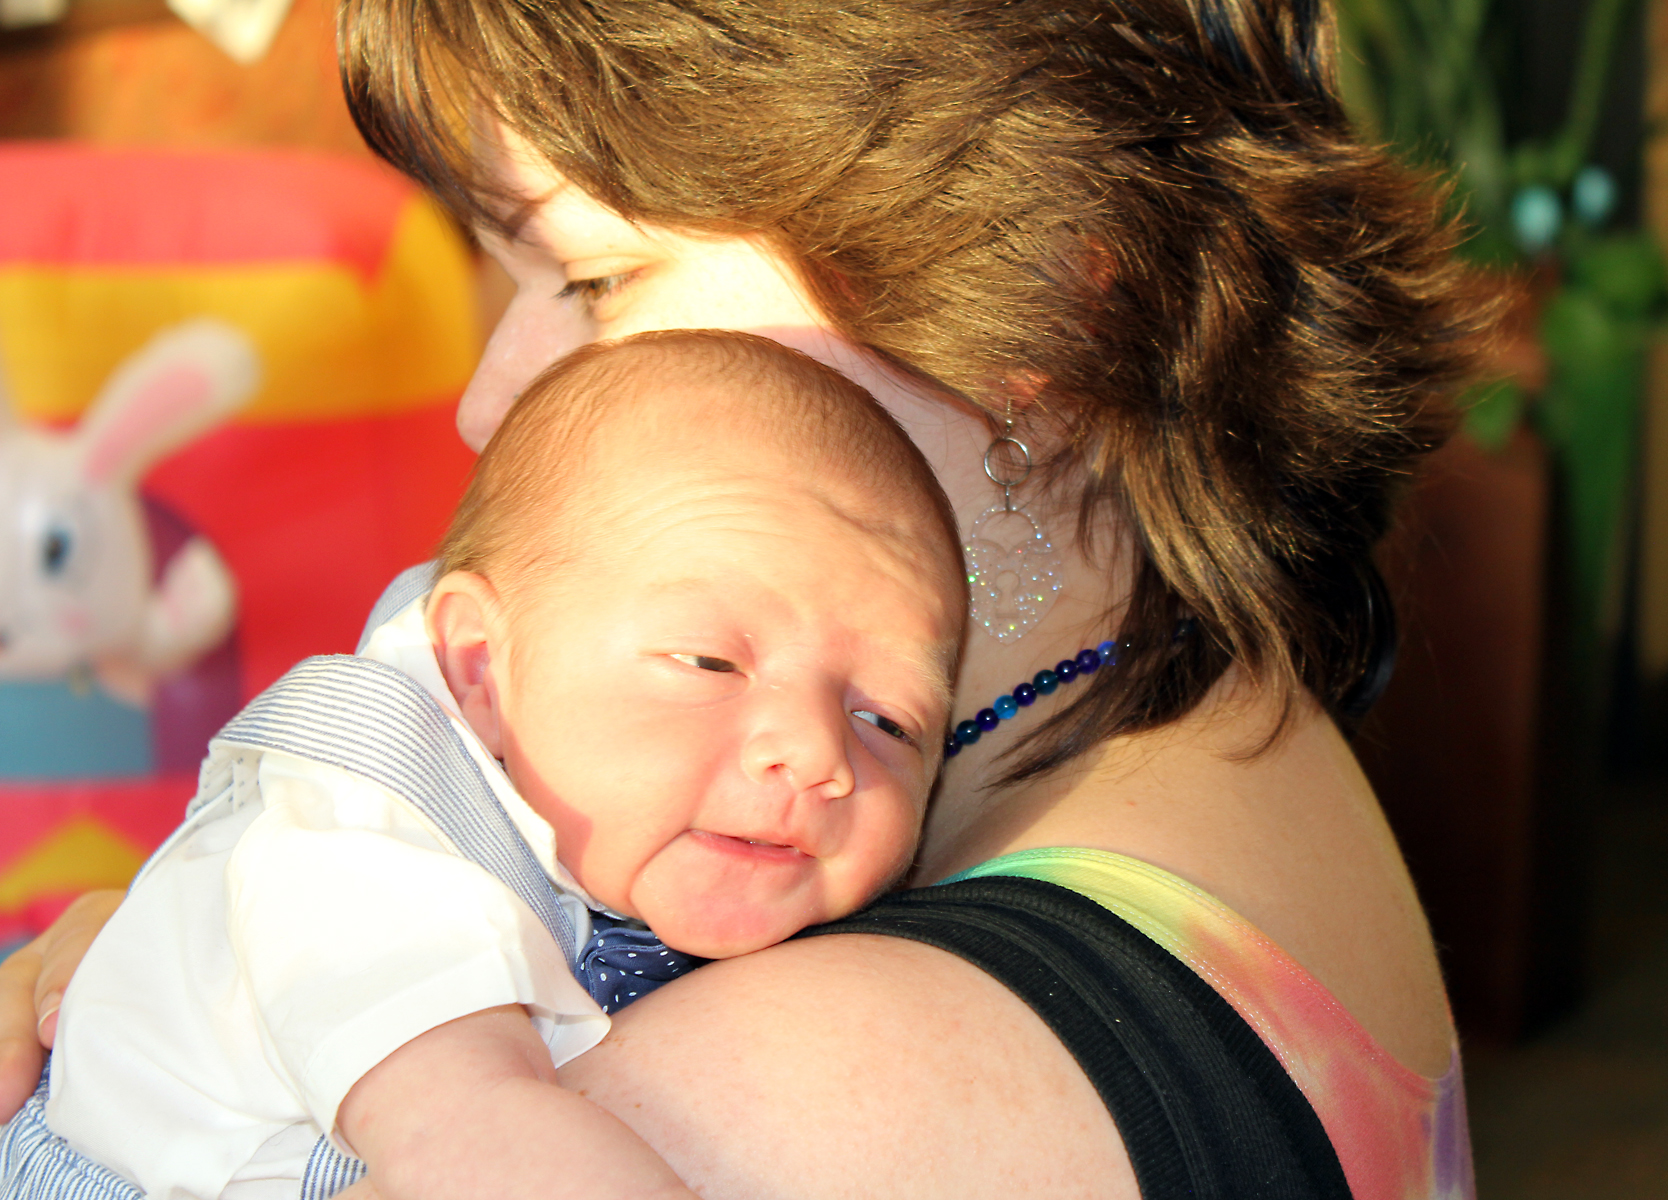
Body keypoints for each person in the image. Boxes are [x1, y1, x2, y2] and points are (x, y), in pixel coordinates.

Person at [0, 2, 1496, 1197]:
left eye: (595, 281)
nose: (486, 400)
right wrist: (205, 997)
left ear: (1036, 282)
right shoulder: (1216, 717)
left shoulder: (741, 1107)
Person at [0, 331, 963, 1200]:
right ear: (478, 670)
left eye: (889, 720)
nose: (817, 752)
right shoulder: (364, 856)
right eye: (711, 662)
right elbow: (474, 1147)